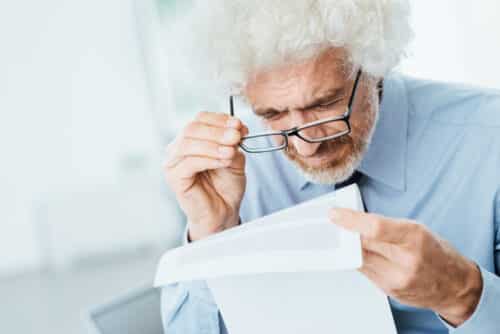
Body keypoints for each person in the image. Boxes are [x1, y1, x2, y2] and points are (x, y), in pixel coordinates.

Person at [161, 1, 500, 333]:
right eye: (273, 114)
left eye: (324, 104)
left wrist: (463, 293)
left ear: (374, 67)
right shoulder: (234, 168)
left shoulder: (489, 140)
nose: (305, 145)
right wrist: (212, 235)